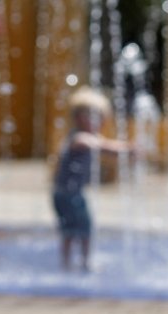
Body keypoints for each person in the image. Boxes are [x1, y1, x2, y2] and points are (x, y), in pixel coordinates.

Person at [52, 86, 133, 272]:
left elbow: (106, 146)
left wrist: (125, 151)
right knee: (84, 227)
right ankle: (84, 262)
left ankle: (68, 264)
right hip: (69, 194)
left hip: (64, 193)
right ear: (80, 118)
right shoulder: (79, 137)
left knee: (71, 229)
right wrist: (126, 149)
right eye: (97, 117)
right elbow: (100, 145)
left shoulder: (88, 136)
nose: (102, 122)